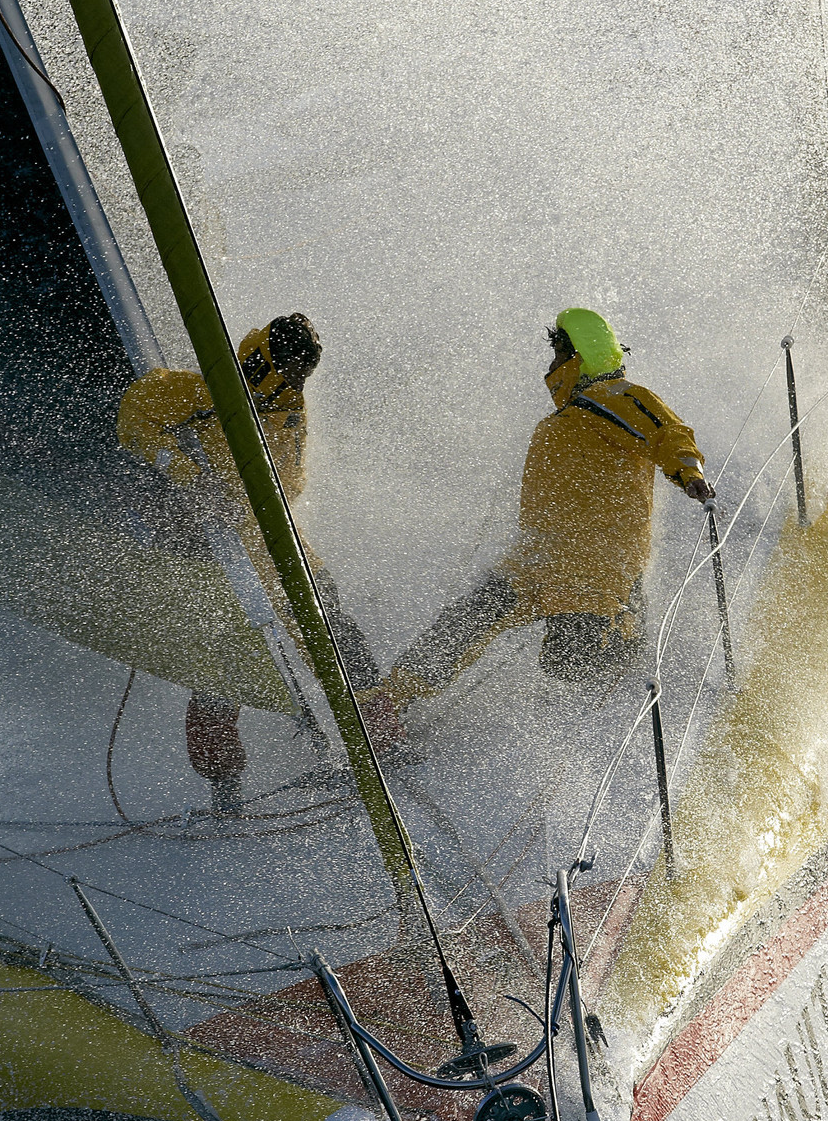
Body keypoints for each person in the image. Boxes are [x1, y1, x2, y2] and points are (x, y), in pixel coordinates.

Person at [367, 307, 712, 726]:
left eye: (556, 357)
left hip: (595, 571)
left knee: (569, 665)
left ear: (577, 359)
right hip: (537, 560)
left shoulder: (618, 397)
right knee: (468, 619)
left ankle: (630, 631)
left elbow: (669, 433)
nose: (549, 369)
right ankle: (387, 701)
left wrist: (688, 473)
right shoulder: (564, 418)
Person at [117, 312, 377, 811]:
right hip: (217, 559)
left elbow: (294, 481)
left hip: (277, 550)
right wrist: (188, 473)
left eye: (307, 372)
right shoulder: (205, 391)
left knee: (338, 636)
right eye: (295, 368)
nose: (300, 380)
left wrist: (250, 498)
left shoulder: (290, 415)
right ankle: (225, 787)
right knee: (219, 672)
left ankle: (382, 740)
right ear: (271, 357)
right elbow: (135, 418)